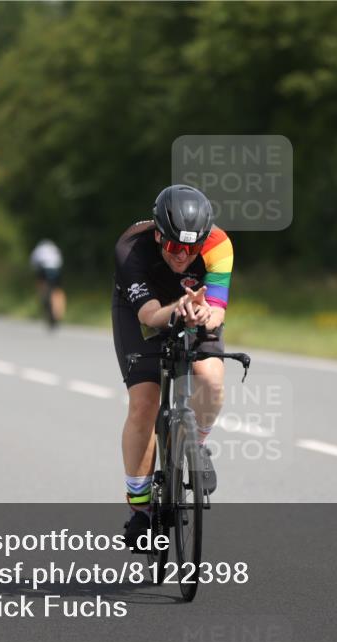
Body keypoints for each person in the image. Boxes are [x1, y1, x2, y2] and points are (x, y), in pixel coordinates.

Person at [112, 184, 233, 543]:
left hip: (193, 308)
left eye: (191, 249)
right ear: (159, 235)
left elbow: (217, 312)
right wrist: (177, 309)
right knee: (144, 402)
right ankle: (139, 507)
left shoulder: (219, 245)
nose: (182, 256)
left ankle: (196, 444)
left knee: (211, 380)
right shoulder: (131, 248)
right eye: (174, 247)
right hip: (143, 311)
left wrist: (201, 313)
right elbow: (150, 316)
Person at [29, 239, 65, 328]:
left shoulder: (39, 249)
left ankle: (43, 297)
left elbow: (33, 262)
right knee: (57, 291)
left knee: (41, 285)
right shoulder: (54, 248)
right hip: (56, 270)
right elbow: (60, 260)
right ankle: (58, 312)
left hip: (43, 269)